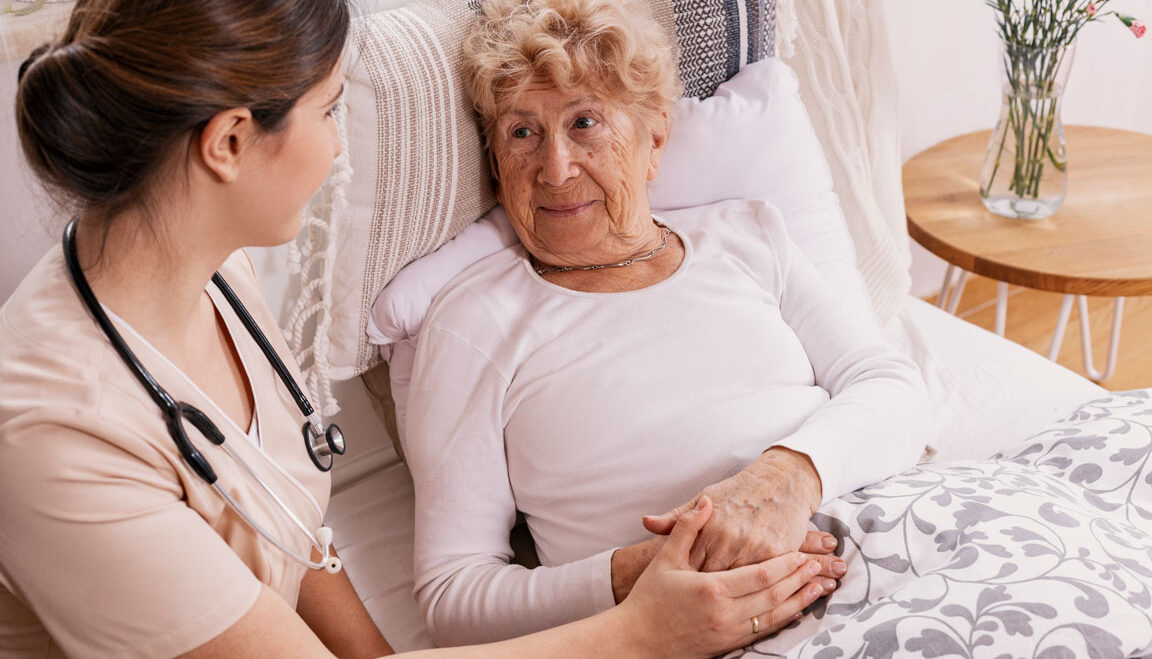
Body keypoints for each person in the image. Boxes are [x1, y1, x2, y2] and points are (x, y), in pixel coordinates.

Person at [0, 0, 841, 657]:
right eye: (330, 113)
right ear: (228, 143)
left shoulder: (213, 262)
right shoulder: (53, 436)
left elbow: (283, 519)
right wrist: (640, 630)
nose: (338, 152)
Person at [404, 0, 932, 646]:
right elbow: (454, 594)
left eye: (585, 122)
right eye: (522, 133)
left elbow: (894, 386)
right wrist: (634, 577)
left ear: (655, 137)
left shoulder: (748, 235)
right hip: (720, 628)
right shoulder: (472, 322)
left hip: (903, 548)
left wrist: (785, 478)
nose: (555, 168)